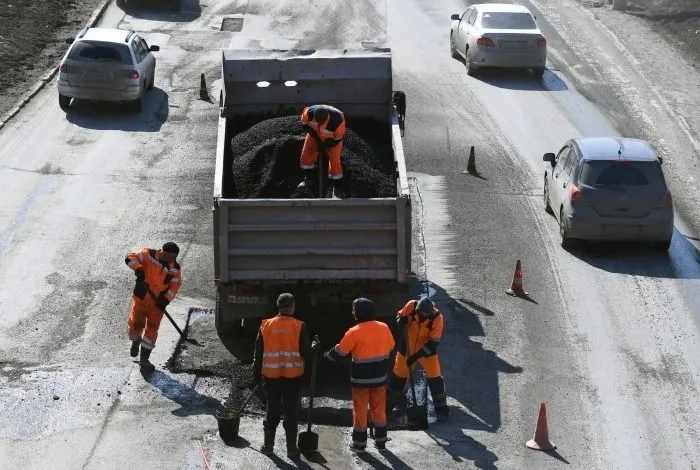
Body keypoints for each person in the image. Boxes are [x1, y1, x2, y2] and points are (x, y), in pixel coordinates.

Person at [323, 298, 395, 452]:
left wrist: (326, 355)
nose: (352, 312)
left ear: (358, 313)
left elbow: (340, 352)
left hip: (360, 380)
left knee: (360, 411)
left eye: (353, 309)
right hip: (380, 378)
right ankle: (381, 443)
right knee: (379, 410)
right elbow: (391, 347)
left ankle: (359, 445)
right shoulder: (384, 327)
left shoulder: (354, 331)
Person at [252, 293, 317, 459]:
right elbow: (305, 353)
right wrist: (314, 348)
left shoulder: (265, 325)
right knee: (291, 411)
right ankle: (291, 450)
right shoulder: (299, 326)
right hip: (293, 377)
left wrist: (256, 377)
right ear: (291, 307)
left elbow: (258, 354)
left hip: (270, 376)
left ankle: (268, 447)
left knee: (272, 409)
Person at [386, 296, 449, 421]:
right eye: (421, 313)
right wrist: (401, 321)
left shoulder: (437, 318)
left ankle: (442, 411)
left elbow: (432, 344)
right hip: (406, 349)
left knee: (435, 379)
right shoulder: (411, 305)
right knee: (398, 378)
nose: (423, 315)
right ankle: (386, 409)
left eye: (426, 314)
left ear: (431, 312)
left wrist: (415, 357)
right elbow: (399, 316)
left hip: (426, 352)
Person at [125, 242, 182, 374]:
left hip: (157, 304)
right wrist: (138, 269)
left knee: (152, 329)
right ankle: (135, 340)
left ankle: (144, 359)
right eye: (171, 257)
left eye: (174, 258)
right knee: (136, 323)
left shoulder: (175, 269)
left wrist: (165, 300)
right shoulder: (147, 255)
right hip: (141, 297)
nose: (173, 260)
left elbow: (174, 286)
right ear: (164, 252)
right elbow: (129, 257)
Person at [297, 104, 349, 198]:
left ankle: (337, 187)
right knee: (307, 151)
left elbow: (337, 139)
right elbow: (304, 124)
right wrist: (317, 138)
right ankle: (309, 178)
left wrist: (325, 145)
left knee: (334, 160)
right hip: (315, 133)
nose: (319, 123)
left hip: (332, 138)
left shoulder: (337, 121)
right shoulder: (309, 113)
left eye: (321, 122)